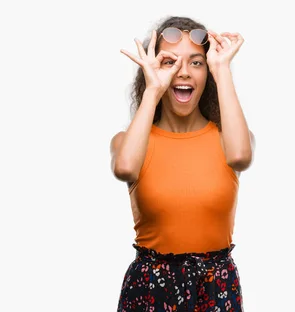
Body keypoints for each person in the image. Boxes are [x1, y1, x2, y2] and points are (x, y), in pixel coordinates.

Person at [110, 15, 254, 312]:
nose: (183, 72)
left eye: (196, 62)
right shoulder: (129, 141)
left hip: (216, 288)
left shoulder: (229, 139)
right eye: (169, 61)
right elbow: (124, 168)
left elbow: (242, 156)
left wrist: (222, 68)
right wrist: (153, 90)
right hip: (150, 287)